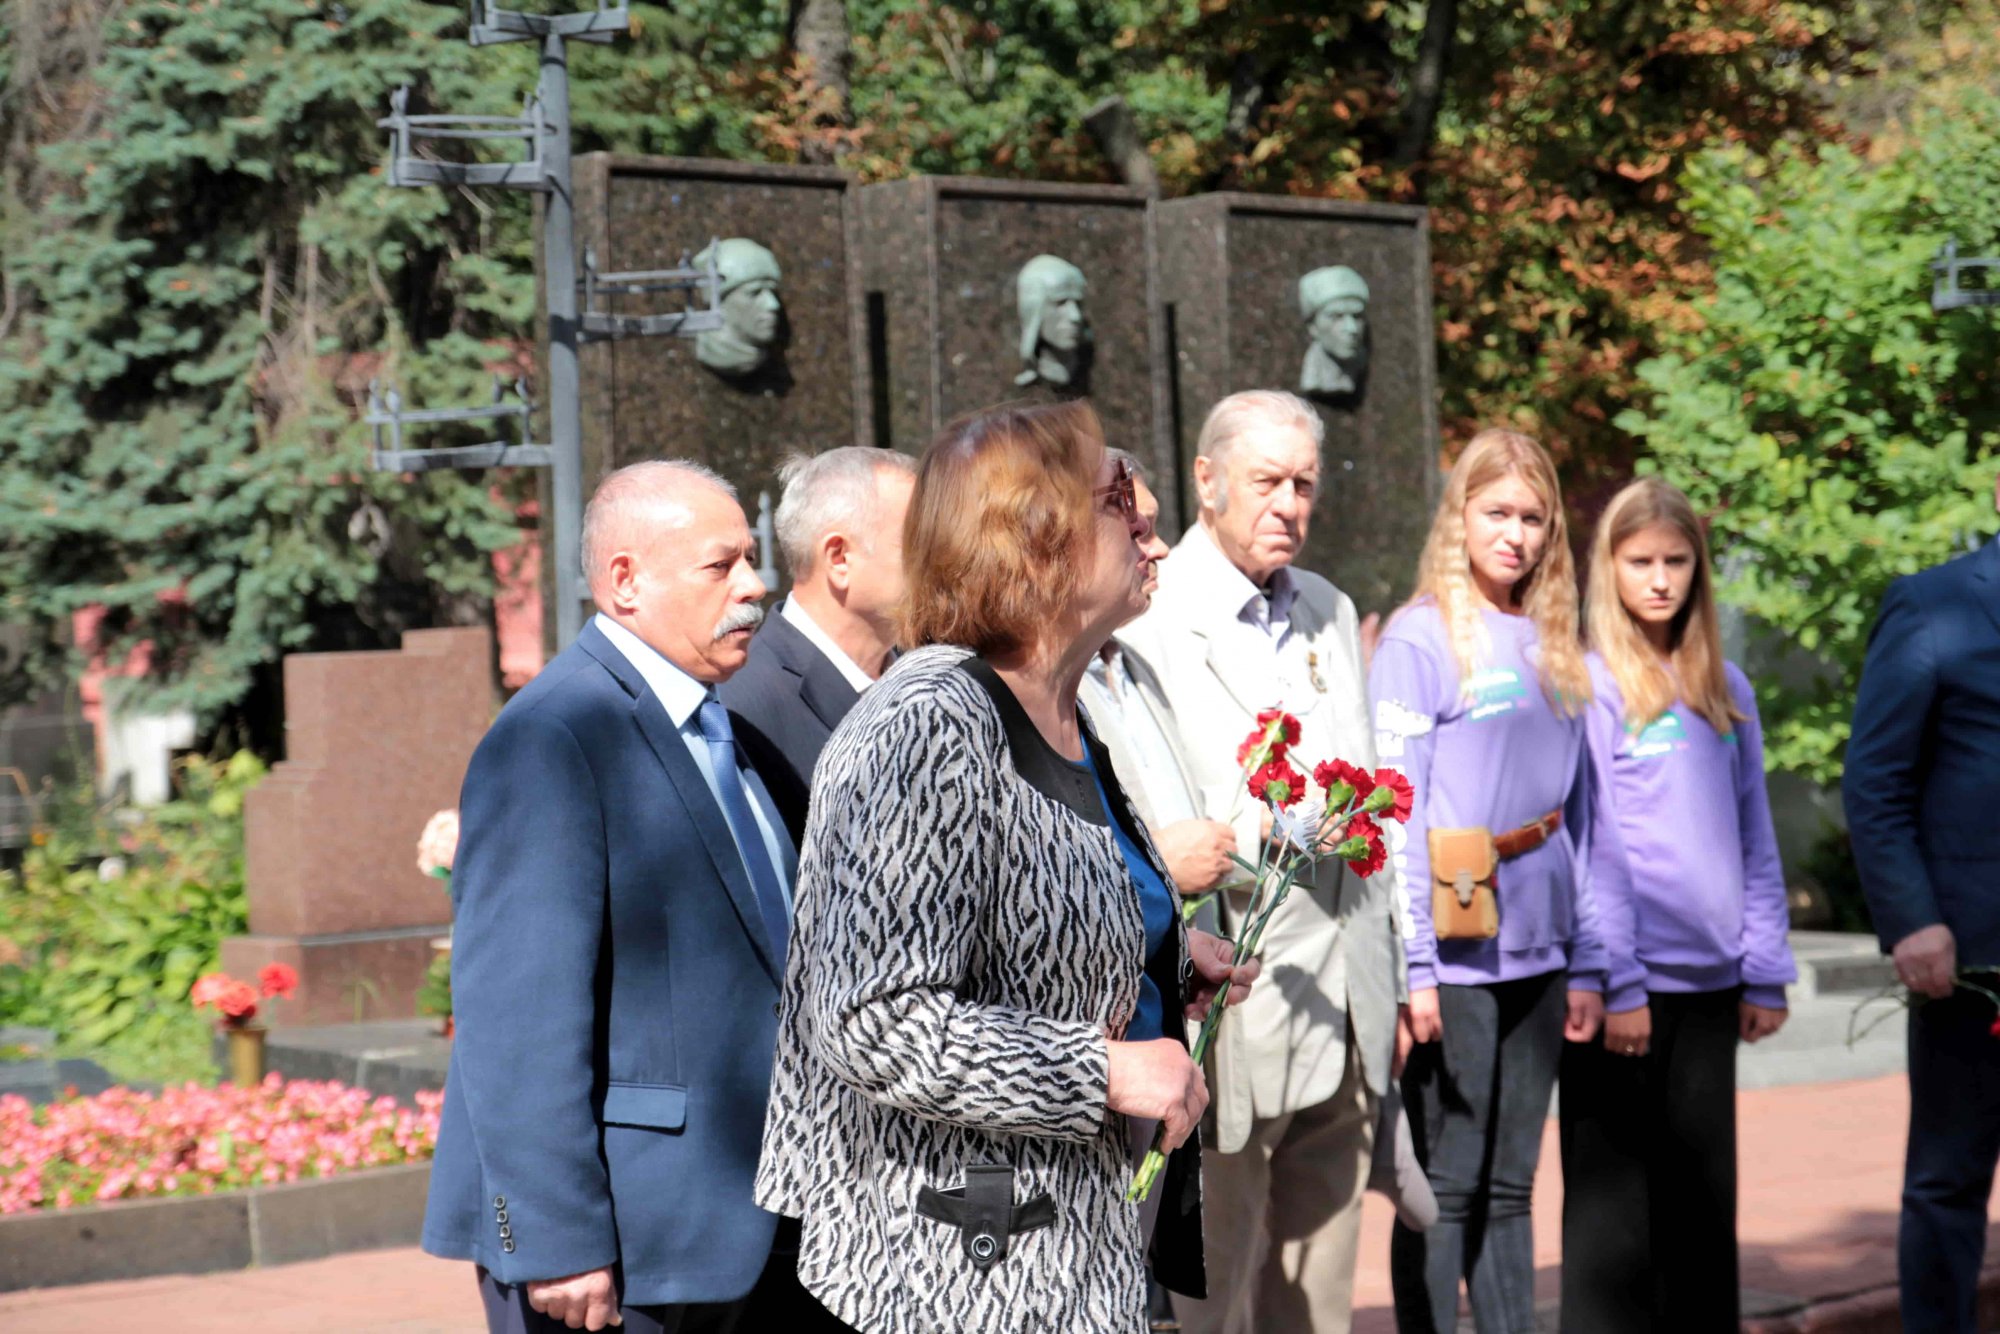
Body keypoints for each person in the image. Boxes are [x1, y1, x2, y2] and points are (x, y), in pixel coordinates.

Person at [754, 400, 1254, 1333]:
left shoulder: (1061, 711)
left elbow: (1036, 932)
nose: (1152, 525)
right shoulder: (927, 725)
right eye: (1119, 504)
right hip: (956, 1271)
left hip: (1075, 1244)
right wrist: (1099, 1073)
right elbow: (872, 1018)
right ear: (1035, 537)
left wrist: (1170, 960)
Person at [422, 461, 830, 1333]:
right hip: (620, 1250)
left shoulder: (718, 723)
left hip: (738, 1224)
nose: (755, 586)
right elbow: (514, 1018)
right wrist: (552, 1236)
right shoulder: (553, 735)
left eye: (751, 558)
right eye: (721, 566)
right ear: (625, 582)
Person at [1120, 389, 1402, 1334]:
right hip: (1237, 989)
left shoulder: (1328, 606)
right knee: (1217, 1296)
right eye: (1267, 481)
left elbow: (1371, 800)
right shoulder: (1147, 615)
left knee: (1319, 1296)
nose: (1288, 503)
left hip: (1348, 996)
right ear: (1207, 481)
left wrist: (1393, 975)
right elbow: (1160, 818)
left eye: (1305, 484)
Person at [1370, 427, 1606, 1334]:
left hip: (1542, 947)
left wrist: (1587, 959)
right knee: (1448, 1181)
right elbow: (1395, 811)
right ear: (1459, 515)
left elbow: (1577, 818)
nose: (1516, 534)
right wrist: (1415, 967)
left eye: (1534, 518)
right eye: (1497, 512)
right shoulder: (1421, 637)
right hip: (1458, 952)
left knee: (1513, 1184)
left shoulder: (1555, 640)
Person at [1558, 477, 1796, 1331]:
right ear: (1609, 568)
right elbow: (1595, 843)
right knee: (1613, 1225)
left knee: (1701, 1209)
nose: (1659, 579)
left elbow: (1754, 834)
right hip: (1629, 988)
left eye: (1677, 561)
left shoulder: (1724, 685)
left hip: (1712, 985)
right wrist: (1615, 980)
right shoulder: (1590, 685)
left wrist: (1765, 966)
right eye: (1640, 562)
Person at [1845, 472, 2000, 1334]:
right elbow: (1876, 780)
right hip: (1971, 960)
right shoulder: (1934, 605)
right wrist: (1912, 919)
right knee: (1948, 1185)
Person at [720, 446, 916, 842]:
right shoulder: (741, 706)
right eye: (920, 541)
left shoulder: (931, 681)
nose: (947, 562)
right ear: (839, 557)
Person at [1079, 449, 1237, 904]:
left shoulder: (1133, 663)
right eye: (1138, 531)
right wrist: (1157, 864)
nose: (1160, 549)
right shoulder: (1028, 689)